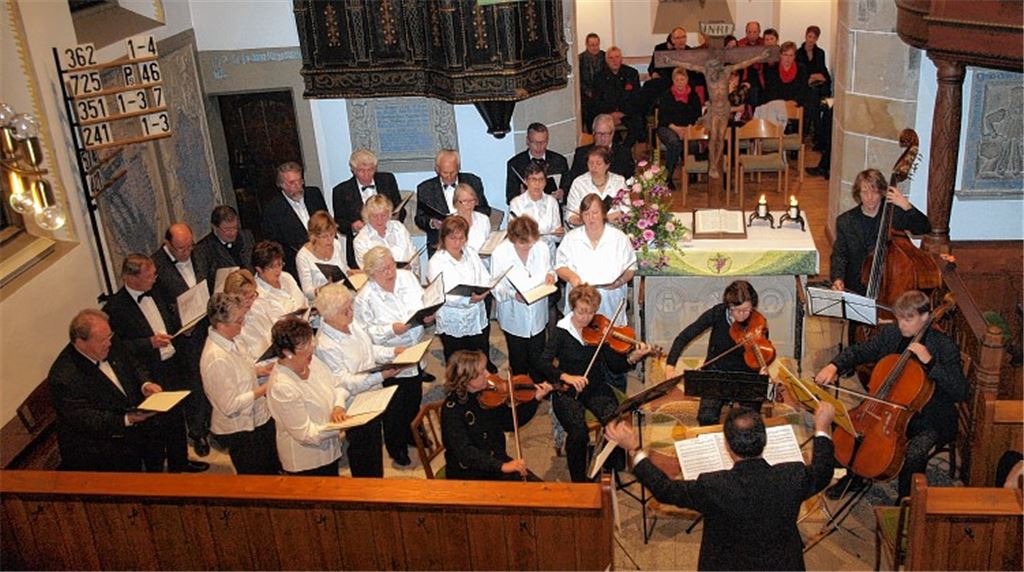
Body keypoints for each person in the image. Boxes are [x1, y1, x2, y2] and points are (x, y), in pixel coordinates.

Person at [604, 403, 837, 571]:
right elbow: (823, 471)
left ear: (728, 445)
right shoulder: (793, 475)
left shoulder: (713, 486)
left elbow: (665, 490)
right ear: (764, 440)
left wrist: (634, 449)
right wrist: (821, 427)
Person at [815, 290, 968, 500]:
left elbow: (960, 391)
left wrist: (931, 362)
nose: (902, 325)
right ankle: (855, 477)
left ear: (925, 317)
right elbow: (861, 351)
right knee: (851, 427)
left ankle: (907, 502)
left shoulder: (944, 346)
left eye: (908, 319)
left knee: (915, 453)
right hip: (888, 406)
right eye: (899, 319)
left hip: (930, 415)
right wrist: (834, 366)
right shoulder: (892, 334)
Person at [102, 254, 208, 473]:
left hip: (173, 362)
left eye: (154, 274)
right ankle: (156, 470)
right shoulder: (116, 308)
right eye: (149, 276)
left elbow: (168, 318)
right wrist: (149, 343)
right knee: (156, 425)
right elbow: (119, 348)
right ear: (130, 277)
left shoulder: (156, 290)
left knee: (177, 417)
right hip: (148, 372)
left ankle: (180, 461)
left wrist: (182, 327)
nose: (154, 279)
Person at [539, 285, 654, 482]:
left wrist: (635, 356)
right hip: (566, 391)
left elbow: (616, 366)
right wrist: (566, 376)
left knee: (614, 421)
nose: (586, 318)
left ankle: (609, 468)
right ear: (573, 307)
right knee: (578, 433)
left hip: (595, 387)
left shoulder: (600, 330)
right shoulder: (561, 331)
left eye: (591, 312)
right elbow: (543, 363)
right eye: (581, 312)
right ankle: (580, 481)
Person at [48, 309, 162, 472]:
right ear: (80, 343)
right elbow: (87, 420)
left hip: (139, 434)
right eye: (102, 340)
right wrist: (127, 419)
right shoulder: (64, 378)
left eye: (110, 336)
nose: (109, 343)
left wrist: (146, 384)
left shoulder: (109, 342)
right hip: (104, 451)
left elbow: (133, 364)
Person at [354, 246, 434, 466]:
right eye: (384, 270)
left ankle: (412, 433)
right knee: (395, 407)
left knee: (414, 397)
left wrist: (428, 316)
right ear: (371, 274)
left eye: (391, 266)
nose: (391, 272)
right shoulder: (364, 298)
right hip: (391, 359)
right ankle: (396, 445)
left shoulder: (406, 277)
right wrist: (391, 330)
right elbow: (365, 335)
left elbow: (423, 302)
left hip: (415, 350)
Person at [315, 283, 405, 478]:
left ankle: (376, 484)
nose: (351, 312)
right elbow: (344, 381)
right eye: (345, 310)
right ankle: (366, 488)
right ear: (329, 315)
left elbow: (369, 350)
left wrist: (392, 352)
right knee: (363, 449)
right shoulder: (325, 345)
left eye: (351, 306)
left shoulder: (350, 323)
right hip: (355, 405)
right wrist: (381, 376)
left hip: (373, 394)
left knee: (374, 446)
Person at [665, 280, 768, 426]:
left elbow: (763, 353)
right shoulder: (717, 313)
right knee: (706, 418)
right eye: (736, 310)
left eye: (746, 310)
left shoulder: (758, 322)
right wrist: (670, 365)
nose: (741, 315)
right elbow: (684, 337)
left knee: (750, 421)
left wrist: (762, 367)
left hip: (746, 374)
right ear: (729, 305)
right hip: (716, 371)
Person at [200, 293, 281, 475]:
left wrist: (259, 370)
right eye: (238, 321)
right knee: (256, 477)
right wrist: (265, 389)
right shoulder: (216, 358)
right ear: (221, 325)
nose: (243, 324)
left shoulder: (233, 339)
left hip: (259, 417)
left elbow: (238, 372)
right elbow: (229, 406)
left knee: (273, 468)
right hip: (241, 429)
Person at [442, 350, 553, 481]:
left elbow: (510, 422)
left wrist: (534, 400)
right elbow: (466, 453)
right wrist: (502, 466)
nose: (488, 374)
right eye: (481, 372)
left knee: (540, 488)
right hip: (471, 474)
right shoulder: (452, 410)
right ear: (466, 380)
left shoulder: (488, 395)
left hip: (496, 460)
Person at [152, 222, 212, 456]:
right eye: (181, 248)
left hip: (206, 324)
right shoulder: (156, 266)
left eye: (190, 246)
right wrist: (179, 325)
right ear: (167, 244)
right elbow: (157, 307)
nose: (187, 252)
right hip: (184, 336)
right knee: (194, 382)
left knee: (212, 374)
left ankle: (215, 424)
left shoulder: (200, 253)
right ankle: (198, 432)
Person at [266, 316, 346, 476]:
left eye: (311, 341)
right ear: (287, 352)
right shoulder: (282, 387)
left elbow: (336, 385)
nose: (312, 347)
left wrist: (338, 407)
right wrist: (342, 427)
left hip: (330, 451)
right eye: (305, 345)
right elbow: (305, 434)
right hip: (306, 462)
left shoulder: (311, 360)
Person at [830, 169, 931, 295]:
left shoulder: (894, 215)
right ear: (858, 194)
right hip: (856, 287)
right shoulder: (846, 221)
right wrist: (837, 278)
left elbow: (924, 228)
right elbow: (839, 255)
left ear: (882, 192)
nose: (870, 198)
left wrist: (907, 206)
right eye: (865, 192)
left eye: (875, 192)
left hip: (891, 286)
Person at [556, 193, 636, 330]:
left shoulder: (619, 238)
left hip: (610, 300)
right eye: (586, 214)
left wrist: (619, 282)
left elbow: (631, 268)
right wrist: (572, 277)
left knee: (609, 337)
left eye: (595, 213)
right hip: (580, 304)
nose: (591, 218)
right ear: (581, 216)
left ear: (603, 213)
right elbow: (560, 266)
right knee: (579, 339)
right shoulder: (571, 238)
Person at [491, 216, 555, 383]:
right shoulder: (500, 253)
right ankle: (521, 391)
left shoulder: (541, 247)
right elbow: (495, 287)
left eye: (531, 242)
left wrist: (551, 276)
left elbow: (550, 269)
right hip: (514, 315)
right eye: (522, 243)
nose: (527, 246)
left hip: (538, 313)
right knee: (518, 359)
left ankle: (539, 388)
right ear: (513, 238)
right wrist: (513, 295)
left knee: (538, 357)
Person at [427, 216, 495, 371]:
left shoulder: (471, 253)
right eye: (452, 238)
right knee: (456, 363)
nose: (457, 243)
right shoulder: (436, 262)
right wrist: (469, 300)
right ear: (443, 238)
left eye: (461, 238)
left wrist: (483, 292)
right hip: (453, 319)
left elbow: (485, 276)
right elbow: (442, 295)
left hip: (476, 315)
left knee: (477, 359)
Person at [331, 149, 406, 267]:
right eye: (361, 170)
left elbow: (400, 209)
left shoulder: (387, 180)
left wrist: (393, 218)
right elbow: (339, 222)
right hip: (361, 246)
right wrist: (352, 226)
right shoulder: (341, 191)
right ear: (353, 170)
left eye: (370, 170)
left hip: (390, 242)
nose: (366, 174)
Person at [414, 149, 491, 256]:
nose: (449, 176)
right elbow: (420, 218)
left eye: (453, 172)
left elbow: (485, 209)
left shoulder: (473, 181)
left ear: (458, 168)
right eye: (445, 173)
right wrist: (432, 223)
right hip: (439, 244)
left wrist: (467, 212)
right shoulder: (425, 188)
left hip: (472, 238)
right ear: (437, 169)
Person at [260, 161, 330, 277]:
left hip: (325, 256)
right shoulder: (273, 209)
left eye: (300, 181)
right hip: (296, 265)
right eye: (292, 183)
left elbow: (327, 223)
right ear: (281, 185)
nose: (298, 186)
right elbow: (275, 244)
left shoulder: (314, 195)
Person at [656, 66, 705, 188]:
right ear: (673, 80)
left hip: (688, 128)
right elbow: (663, 118)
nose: (679, 83)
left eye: (682, 79)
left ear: (687, 80)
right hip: (668, 127)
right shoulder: (666, 96)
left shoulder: (694, 96)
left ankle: (692, 173)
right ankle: (668, 177)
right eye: (677, 80)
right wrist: (677, 129)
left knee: (693, 144)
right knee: (674, 143)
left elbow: (697, 116)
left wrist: (688, 129)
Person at [509, 161, 565, 260]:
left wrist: (558, 234)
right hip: (526, 253)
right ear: (525, 181)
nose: (537, 184)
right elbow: (515, 236)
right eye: (533, 179)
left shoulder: (552, 202)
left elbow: (557, 238)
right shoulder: (516, 203)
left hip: (548, 254)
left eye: (541, 179)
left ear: (546, 182)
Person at [565, 114, 636, 190]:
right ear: (593, 133)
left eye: (606, 134)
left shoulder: (623, 153)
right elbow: (572, 180)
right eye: (599, 134)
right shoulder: (581, 153)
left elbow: (630, 179)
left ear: (612, 133)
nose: (602, 138)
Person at [505, 122, 569, 204]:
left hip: (552, 208)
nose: (539, 147)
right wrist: (521, 197)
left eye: (543, 142)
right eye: (534, 142)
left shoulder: (559, 161)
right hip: (527, 210)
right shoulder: (515, 164)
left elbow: (569, 190)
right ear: (527, 141)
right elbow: (510, 198)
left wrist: (562, 194)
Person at [352, 194, 418, 274]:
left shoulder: (399, 228)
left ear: (389, 214)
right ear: (367, 216)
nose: (379, 221)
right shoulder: (360, 240)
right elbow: (367, 270)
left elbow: (413, 255)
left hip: (407, 277)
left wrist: (411, 267)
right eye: (375, 216)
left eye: (383, 215)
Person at [592, 46, 644, 148]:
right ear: (606, 61)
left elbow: (636, 98)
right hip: (607, 113)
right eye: (611, 58)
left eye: (617, 57)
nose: (614, 60)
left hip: (627, 113)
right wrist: (611, 115)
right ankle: (614, 149)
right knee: (603, 125)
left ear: (621, 59)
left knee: (638, 124)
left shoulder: (631, 73)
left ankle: (625, 150)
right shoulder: (599, 77)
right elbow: (597, 100)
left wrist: (621, 114)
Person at [294, 211, 350, 302]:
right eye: (324, 237)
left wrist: (352, 273)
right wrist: (324, 289)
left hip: (342, 297)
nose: (329, 240)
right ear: (314, 236)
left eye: (332, 234)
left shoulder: (336, 244)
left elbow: (345, 269)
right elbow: (307, 292)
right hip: (321, 302)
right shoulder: (303, 256)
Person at [222, 269, 276, 361]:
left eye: (252, 296)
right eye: (246, 298)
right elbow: (243, 363)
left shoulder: (259, 307)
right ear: (232, 299)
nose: (251, 301)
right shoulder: (232, 327)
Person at [565, 147, 627, 226]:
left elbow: (627, 210)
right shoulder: (579, 183)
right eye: (591, 163)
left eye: (598, 163)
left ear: (607, 165)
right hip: (587, 229)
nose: (594, 167)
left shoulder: (619, 181)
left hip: (614, 229)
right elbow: (571, 215)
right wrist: (602, 219)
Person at [196, 205, 255, 279]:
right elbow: (203, 279)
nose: (232, 233)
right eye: (227, 229)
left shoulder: (247, 237)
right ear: (214, 227)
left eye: (235, 227)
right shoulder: (203, 249)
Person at [253, 240, 306, 319]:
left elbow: (303, 302)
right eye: (272, 267)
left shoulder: (286, 277)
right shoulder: (257, 293)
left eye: (280, 264)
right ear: (259, 269)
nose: (278, 270)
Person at [796, 25, 831, 140]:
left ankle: (805, 132)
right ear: (805, 36)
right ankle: (817, 134)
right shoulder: (798, 53)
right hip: (804, 87)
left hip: (818, 87)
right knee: (813, 98)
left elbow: (823, 73)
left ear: (817, 39)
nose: (811, 40)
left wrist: (815, 77)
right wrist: (811, 76)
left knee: (814, 96)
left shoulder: (820, 53)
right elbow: (799, 73)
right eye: (809, 36)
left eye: (814, 38)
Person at [763, 41, 807, 105]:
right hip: (777, 104)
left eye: (791, 55)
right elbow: (770, 92)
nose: (788, 58)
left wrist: (795, 102)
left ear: (794, 56)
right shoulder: (772, 70)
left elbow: (803, 90)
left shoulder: (801, 69)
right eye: (785, 55)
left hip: (795, 104)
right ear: (780, 55)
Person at [578, 34, 606, 134]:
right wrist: (588, 92)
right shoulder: (580, 59)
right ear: (586, 45)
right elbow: (579, 80)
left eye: (597, 45)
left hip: (603, 94)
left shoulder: (605, 57)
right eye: (592, 45)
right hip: (586, 95)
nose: (595, 47)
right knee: (587, 108)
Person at [453, 184, 492, 252]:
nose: (469, 205)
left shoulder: (483, 219)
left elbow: (488, 244)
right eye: (465, 201)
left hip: (482, 258)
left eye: (472, 200)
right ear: (456, 203)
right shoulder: (450, 223)